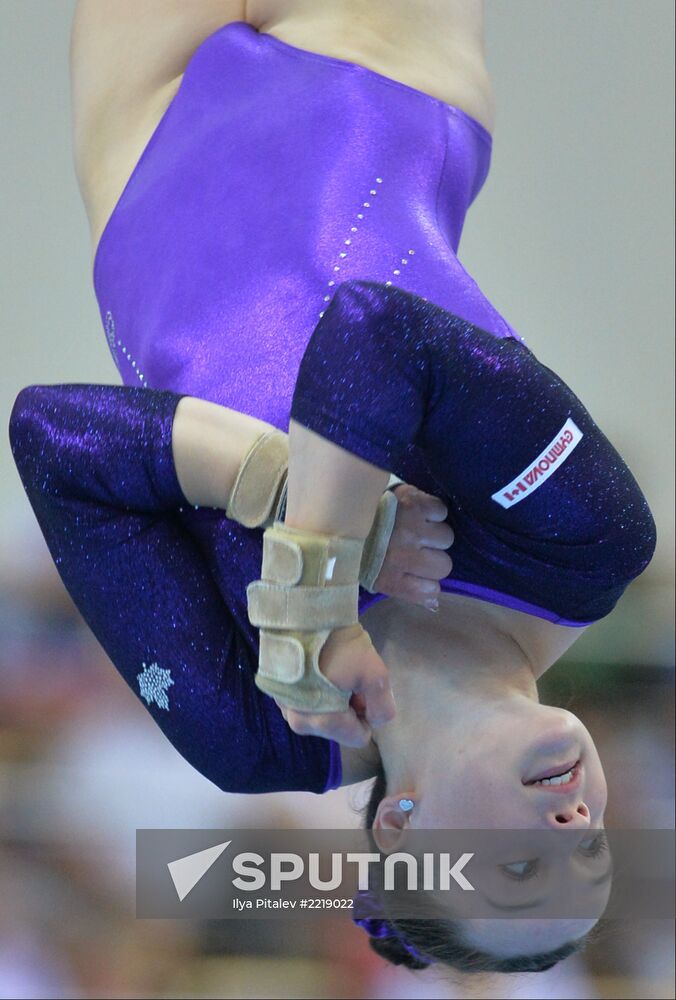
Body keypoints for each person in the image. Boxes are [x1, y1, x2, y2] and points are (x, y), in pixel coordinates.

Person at [10, 3, 656, 974]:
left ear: (399, 828)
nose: (573, 819)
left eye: (524, 863)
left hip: (141, 118)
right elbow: (370, 331)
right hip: (371, 49)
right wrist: (312, 588)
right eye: (591, 850)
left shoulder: (253, 737)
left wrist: (282, 493)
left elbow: (55, 440)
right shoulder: (582, 546)